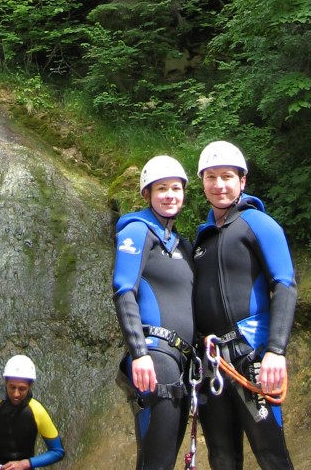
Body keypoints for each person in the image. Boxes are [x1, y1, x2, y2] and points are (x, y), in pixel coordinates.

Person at [193, 140, 297, 470]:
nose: (219, 185)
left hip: (250, 354)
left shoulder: (258, 224)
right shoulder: (202, 239)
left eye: (227, 176)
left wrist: (276, 351)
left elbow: (284, 284)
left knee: (271, 454)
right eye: (211, 177)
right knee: (222, 457)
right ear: (202, 182)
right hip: (212, 362)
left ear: (242, 180)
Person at [112, 155, 195, 470]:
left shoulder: (181, 245)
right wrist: (139, 352)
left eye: (176, 188)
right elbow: (124, 291)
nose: (170, 195)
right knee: (156, 463)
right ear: (147, 193)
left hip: (182, 360)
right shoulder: (137, 231)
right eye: (161, 188)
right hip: (155, 356)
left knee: (163, 462)